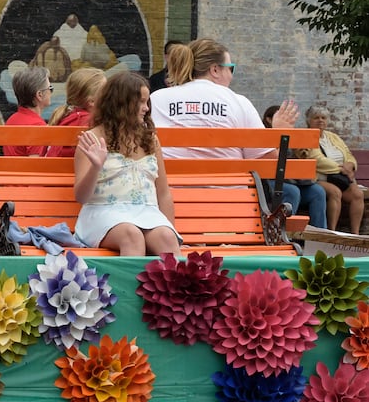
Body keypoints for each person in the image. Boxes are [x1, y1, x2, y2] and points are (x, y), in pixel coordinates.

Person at [73, 71, 181, 256]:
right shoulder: (93, 138)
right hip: (103, 212)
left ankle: (179, 285)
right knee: (132, 235)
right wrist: (96, 167)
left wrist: (172, 229)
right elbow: (82, 197)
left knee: (166, 238)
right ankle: (128, 286)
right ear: (120, 104)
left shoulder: (150, 140)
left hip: (147, 212)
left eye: (147, 102)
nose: (146, 108)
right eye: (140, 102)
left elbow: (163, 193)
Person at [151, 39, 297, 156]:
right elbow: (267, 162)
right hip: (231, 192)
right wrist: (278, 131)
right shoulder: (239, 102)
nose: (231, 76)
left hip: (171, 191)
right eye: (230, 68)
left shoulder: (156, 99)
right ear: (215, 69)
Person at [262, 104, 329, 229]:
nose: (287, 121)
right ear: (269, 120)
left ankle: (319, 234)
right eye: (281, 117)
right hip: (268, 182)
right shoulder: (263, 135)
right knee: (293, 191)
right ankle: (283, 233)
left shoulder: (291, 137)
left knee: (317, 191)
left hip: (291, 180)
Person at [305, 105, 364, 234]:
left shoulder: (333, 136)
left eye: (323, 118)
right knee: (335, 192)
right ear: (309, 120)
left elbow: (348, 154)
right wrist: (341, 170)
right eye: (316, 118)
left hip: (340, 177)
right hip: (319, 177)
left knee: (358, 194)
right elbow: (317, 159)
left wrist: (350, 165)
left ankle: (356, 234)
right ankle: (332, 232)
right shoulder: (306, 136)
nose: (320, 120)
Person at [45, 68, 107, 158]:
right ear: (92, 102)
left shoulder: (64, 116)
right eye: (106, 93)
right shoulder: (90, 123)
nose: (110, 96)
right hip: (72, 171)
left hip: (55, 169)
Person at [4, 66, 51, 157]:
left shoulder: (12, 119)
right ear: (39, 95)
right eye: (50, 88)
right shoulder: (37, 126)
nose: (51, 92)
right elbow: (35, 166)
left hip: (11, 170)